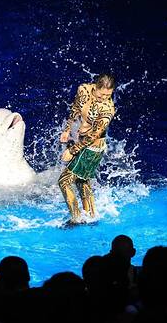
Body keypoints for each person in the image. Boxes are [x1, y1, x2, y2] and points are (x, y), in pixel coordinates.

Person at [58, 73, 116, 222]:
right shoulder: (83, 89)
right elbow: (76, 109)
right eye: (102, 94)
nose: (104, 98)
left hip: (93, 148)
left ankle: (76, 218)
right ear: (95, 87)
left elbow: (93, 136)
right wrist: (67, 130)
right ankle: (91, 216)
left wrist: (72, 151)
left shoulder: (107, 110)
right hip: (83, 143)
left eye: (108, 95)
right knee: (81, 180)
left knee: (64, 181)